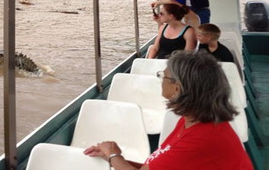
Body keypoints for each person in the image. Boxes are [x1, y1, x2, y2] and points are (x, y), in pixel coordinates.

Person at [83, 50, 253, 170]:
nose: (161, 79)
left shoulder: (201, 139)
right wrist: (113, 157)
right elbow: (157, 166)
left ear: (177, 88)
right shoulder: (192, 122)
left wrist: (113, 156)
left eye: (164, 77)